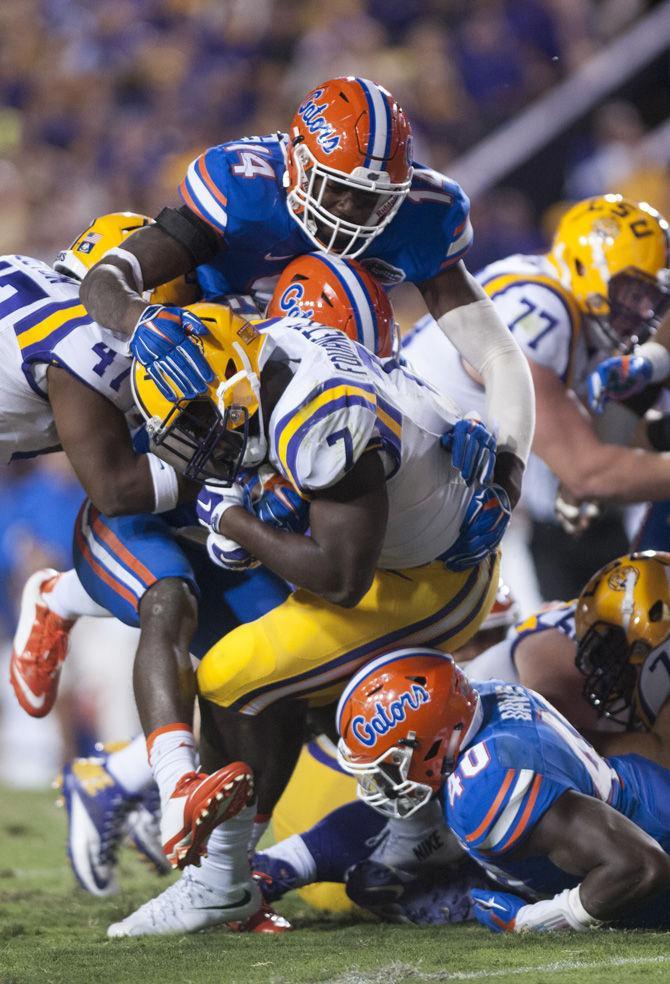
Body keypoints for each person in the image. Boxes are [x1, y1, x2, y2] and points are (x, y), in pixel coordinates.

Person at [106, 279, 520, 936]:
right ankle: (385, 832)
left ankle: (220, 882)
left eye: (198, 420)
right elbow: (120, 301)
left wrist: (239, 517)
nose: (197, 441)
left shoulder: (322, 418)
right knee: (270, 676)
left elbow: (339, 579)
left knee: (230, 675)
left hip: (432, 582)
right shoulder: (271, 347)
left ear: (235, 385)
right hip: (403, 544)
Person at [21, 251, 402, 899]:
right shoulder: (146, 347)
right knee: (169, 602)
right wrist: (232, 502)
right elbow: (121, 485)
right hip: (143, 521)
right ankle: (171, 788)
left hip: (210, 527)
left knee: (281, 679)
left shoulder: (253, 339)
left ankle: (131, 790)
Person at [401, 196, 670, 579]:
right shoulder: (543, 310)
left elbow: (600, 445)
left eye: (654, 299)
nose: (645, 312)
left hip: (439, 500)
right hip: (408, 495)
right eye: (634, 294)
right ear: (585, 267)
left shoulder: (560, 302)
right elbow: (588, 472)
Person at [337, 649, 670, 933]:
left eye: (391, 763)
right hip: (641, 794)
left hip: (647, 863)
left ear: (432, 743)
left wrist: (533, 920)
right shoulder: (480, 698)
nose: (384, 778)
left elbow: (638, 866)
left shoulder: (485, 786)